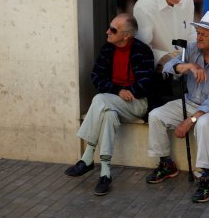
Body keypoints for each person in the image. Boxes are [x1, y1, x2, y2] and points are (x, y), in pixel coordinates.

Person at [146, 11, 209, 203]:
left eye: (204, 34)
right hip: (191, 101)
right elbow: (168, 67)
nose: (199, 37)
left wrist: (191, 120)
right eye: (198, 32)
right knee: (155, 115)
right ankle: (165, 163)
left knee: (203, 123)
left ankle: (206, 176)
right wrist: (187, 66)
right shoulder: (192, 49)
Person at [63, 13, 154, 196]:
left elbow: (146, 82)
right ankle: (105, 172)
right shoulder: (108, 49)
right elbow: (96, 76)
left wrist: (130, 92)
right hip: (113, 102)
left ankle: (87, 157)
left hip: (137, 104)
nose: (107, 32)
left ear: (127, 35)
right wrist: (117, 91)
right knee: (108, 114)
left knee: (99, 100)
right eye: (109, 27)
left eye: (113, 30)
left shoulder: (142, 51)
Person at [133, 0, 197, 71]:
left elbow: (191, 34)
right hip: (156, 75)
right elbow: (140, 51)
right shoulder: (145, 7)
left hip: (185, 70)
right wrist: (166, 58)